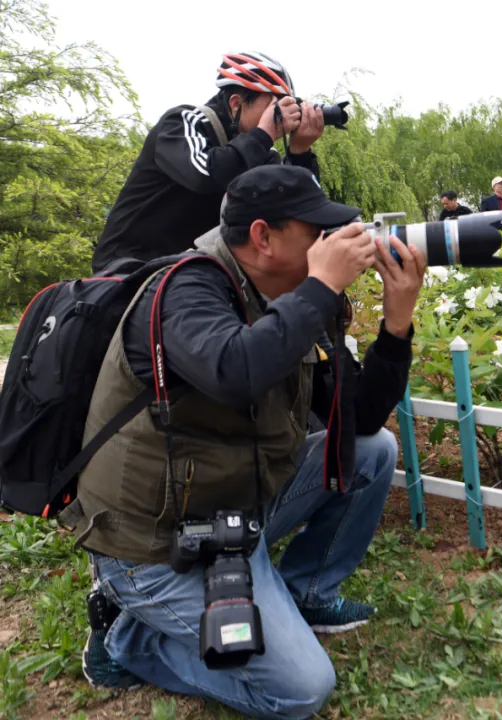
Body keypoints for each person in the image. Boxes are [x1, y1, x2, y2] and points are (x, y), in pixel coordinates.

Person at [72, 165, 426, 717]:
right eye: (315, 232)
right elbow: (235, 369)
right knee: (301, 689)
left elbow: (359, 417)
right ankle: (128, 637)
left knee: (371, 452)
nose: (328, 245)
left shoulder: (288, 297)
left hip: (230, 512)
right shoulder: (185, 289)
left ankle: (305, 594)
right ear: (262, 237)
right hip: (155, 545)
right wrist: (320, 287)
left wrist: (397, 321)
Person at [92, 52, 325, 273]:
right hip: (128, 269)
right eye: (273, 107)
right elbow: (205, 176)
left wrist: (300, 152)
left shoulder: (260, 152)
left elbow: (292, 210)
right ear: (236, 103)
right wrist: (264, 133)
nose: (281, 116)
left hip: (191, 275)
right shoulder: (182, 123)